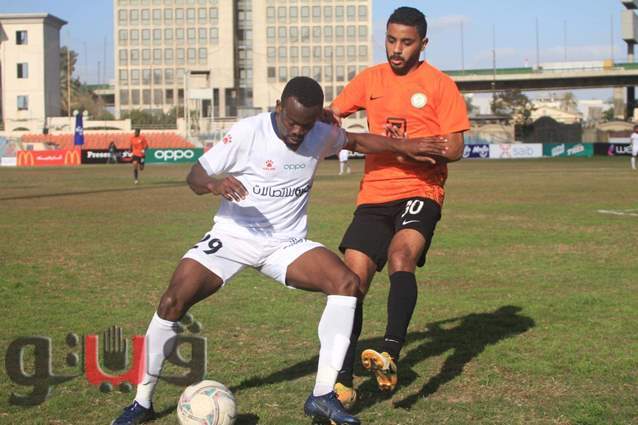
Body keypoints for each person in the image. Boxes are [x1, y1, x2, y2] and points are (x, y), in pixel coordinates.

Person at [111, 77, 447, 425]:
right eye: (291, 122)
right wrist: (214, 184)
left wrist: (406, 146)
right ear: (278, 108)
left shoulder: (320, 134)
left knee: (346, 283)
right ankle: (142, 403)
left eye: (306, 125)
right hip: (232, 238)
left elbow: (359, 140)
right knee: (172, 301)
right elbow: (195, 175)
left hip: (286, 245)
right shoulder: (248, 132)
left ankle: (322, 395)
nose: (298, 132)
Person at [327, 6, 470, 408]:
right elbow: (334, 114)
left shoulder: (440, 85)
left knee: (400, 256)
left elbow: (455, 147)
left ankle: (390, 352)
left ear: (423, 43)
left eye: (406, 42)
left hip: (421, 189)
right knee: (351, 282)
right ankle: (342, 379)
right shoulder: (370, 79)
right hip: (374, 192)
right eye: (391, 40)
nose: (396, 49)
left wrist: (425, 151)